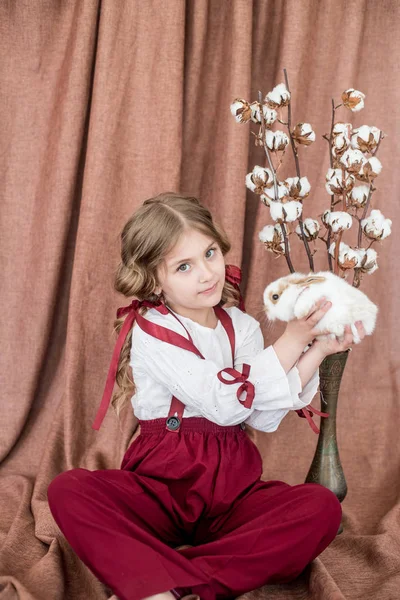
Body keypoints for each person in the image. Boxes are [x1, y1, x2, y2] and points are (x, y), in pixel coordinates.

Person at [47, 192, 366, 600]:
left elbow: (261, 416)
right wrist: (291, 340)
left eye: (210, 253)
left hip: (233, 492)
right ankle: (193, 571)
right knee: (69, 489)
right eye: (184, 266)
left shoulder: (242, 326)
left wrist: (316, 349)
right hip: (161, 489)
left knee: (320, 508)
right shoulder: (153, 329)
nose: (206, 274)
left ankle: (175, 586)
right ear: (154, 279)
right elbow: (223, 399)